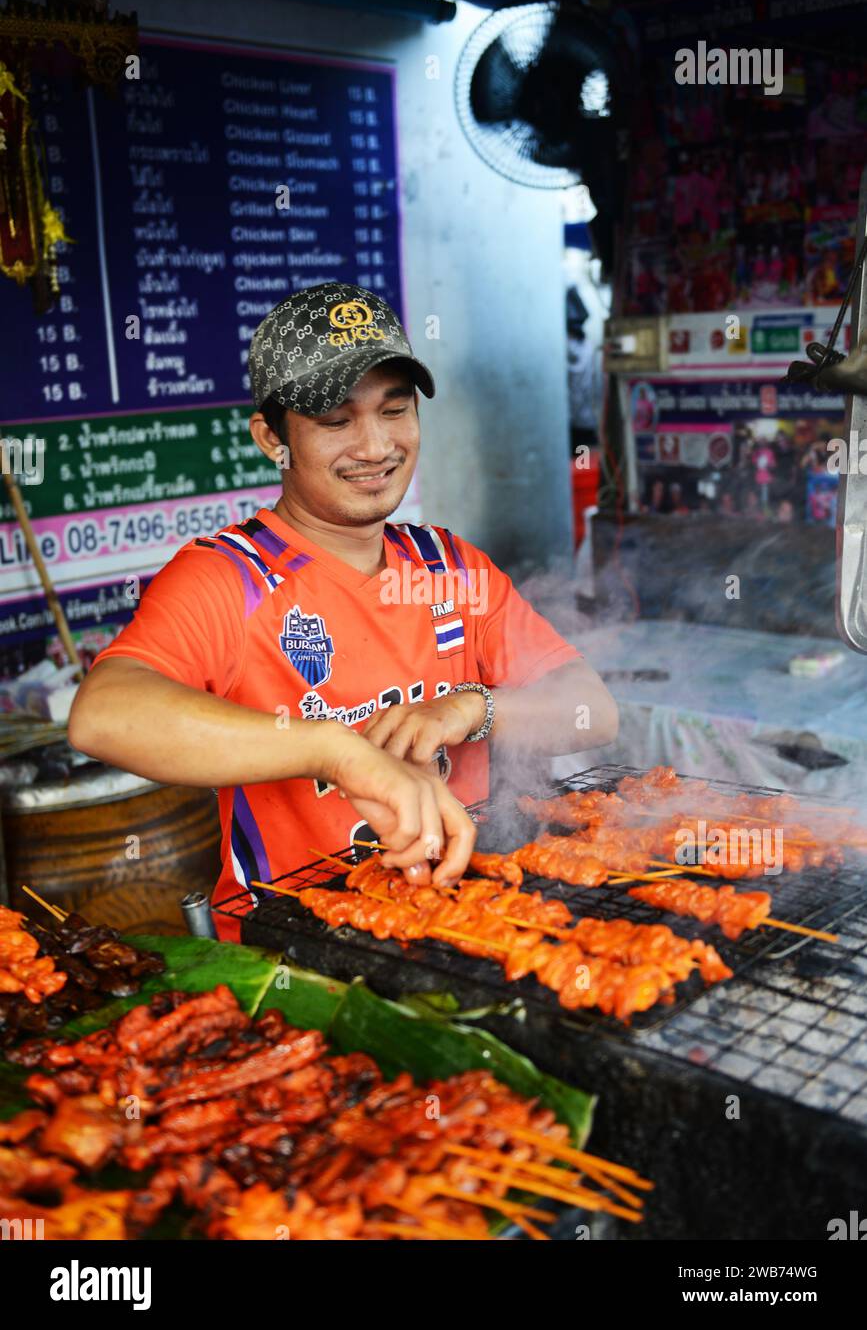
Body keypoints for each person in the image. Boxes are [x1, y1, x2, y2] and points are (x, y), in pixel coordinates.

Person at [69, 282, 618, 937]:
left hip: (470, 923)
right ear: (271, 438)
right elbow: (102, 716)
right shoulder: (229, 578)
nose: (374, 446)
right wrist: (338, 752)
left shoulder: (451, 567)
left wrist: (472, 707)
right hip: (300, 953)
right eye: (335, 421)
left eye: (395, 410)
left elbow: (594, 711)